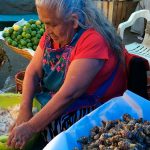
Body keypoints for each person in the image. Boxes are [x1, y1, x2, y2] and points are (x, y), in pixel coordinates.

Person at [7, 0, 127, 149]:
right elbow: (32, 72)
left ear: (74, 20)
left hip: (100, 107)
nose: (47, 30)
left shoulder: (93, 40)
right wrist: (24, 112)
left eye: (51, 24)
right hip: (66, 97)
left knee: (53, 127)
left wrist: (30, 127)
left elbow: (68, 95)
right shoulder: (52, 33)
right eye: (44, 23)